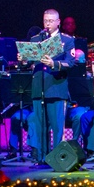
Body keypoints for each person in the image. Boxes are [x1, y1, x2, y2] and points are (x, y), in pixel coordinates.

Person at [27, 9, 74, 164]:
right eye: (45, 20)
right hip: (38, 86)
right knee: (40, 126)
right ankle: (41, 158)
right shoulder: (36, 39)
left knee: (57, 127)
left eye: (51, 21)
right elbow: (30, 61)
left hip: (56, 86)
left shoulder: (66, 40)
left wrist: (54, 63)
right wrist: (23, 59)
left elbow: (71, 62)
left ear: (58, 22)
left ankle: (56, 159)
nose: (47, 23)